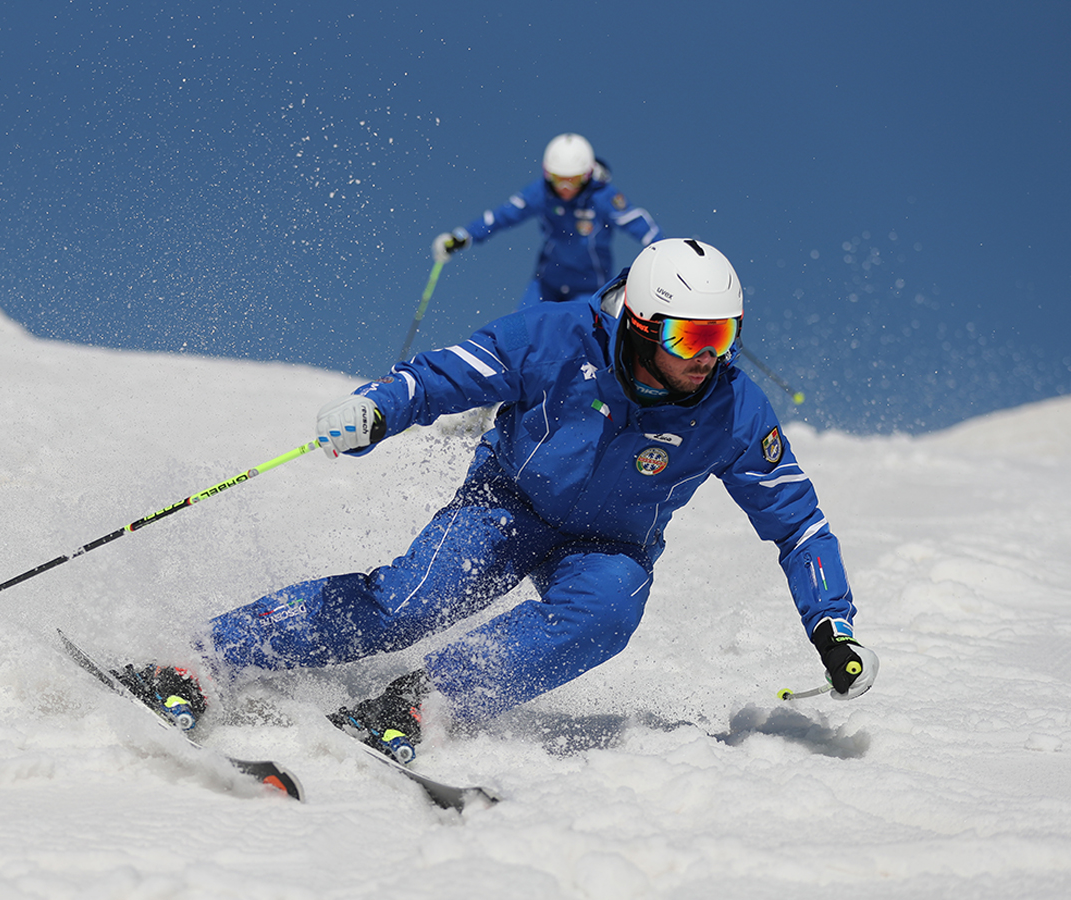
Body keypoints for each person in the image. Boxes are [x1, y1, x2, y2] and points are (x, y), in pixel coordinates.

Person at [193, 238, 878, 762]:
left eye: (722, 335)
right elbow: (445, 376)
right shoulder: (558, 337)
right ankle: (207, 654)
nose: (708, 357)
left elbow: (799, 525)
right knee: (409, 604)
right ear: (643, 325)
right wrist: (377, 407)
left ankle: (423, 700)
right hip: (508, 504)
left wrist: (833, 627)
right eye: (689, 337)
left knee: (608, 611)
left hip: (609, 545)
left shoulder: (733, 410)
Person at [432, 133, 664, 309]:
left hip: (589, 287)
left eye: (573, 181)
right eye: (557, 179)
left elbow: (637, 222)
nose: (564, 189)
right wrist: (463, 236)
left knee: (580, 338)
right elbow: (502, 216)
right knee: (520, 330)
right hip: (547, 282)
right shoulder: (541, 193)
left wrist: (664, 252)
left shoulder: (602, 197)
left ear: (586, 175)